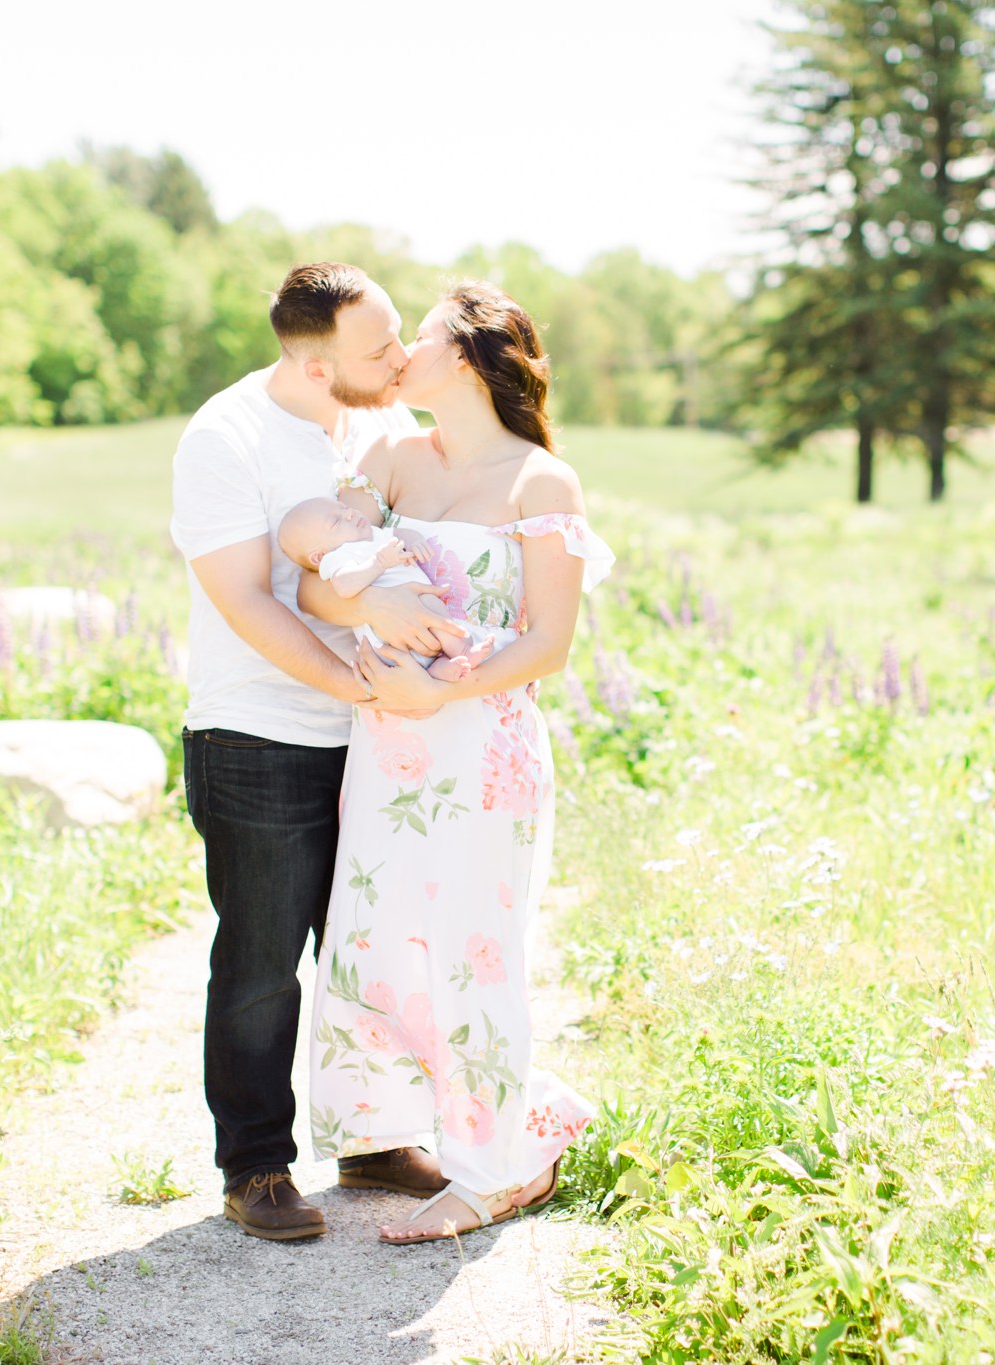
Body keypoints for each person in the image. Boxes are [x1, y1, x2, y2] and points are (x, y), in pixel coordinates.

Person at [299, 281, 615, 1245]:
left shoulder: (539, 484)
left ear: (471, 357)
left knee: (473, 954)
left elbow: (548, 646)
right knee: (376, 943)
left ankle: (493, 1172)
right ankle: (450, 1125)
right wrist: (374, 613)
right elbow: (317, 584)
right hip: (389, 750)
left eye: (421, 338)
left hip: (482, 749)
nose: (401, 356)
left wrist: (440, 690)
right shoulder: (392, 456)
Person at [169, 262, 464, 1242]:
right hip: (260, 736)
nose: (399, 359)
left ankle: (373, 1137)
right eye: (377, 348)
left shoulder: (376, 422)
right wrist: (353, 683)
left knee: (368, 946)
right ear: (309, 361)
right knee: (261, 963)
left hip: (379, 736)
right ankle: (253, 1165)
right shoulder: (227, 438)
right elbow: (246, 598)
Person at [276, 495, 501, 681]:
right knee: (429, 608)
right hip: (387, 635)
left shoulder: (375, 535)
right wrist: (379, 563)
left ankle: (442, 669)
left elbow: (400, 535)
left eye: (344, 508)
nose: (350, 514)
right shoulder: (337, 558)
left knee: (429, 624)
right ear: (318, 556)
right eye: (336, 522)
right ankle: (463, 650)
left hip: (407, 629)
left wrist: (413, 541)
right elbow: (344, 586)